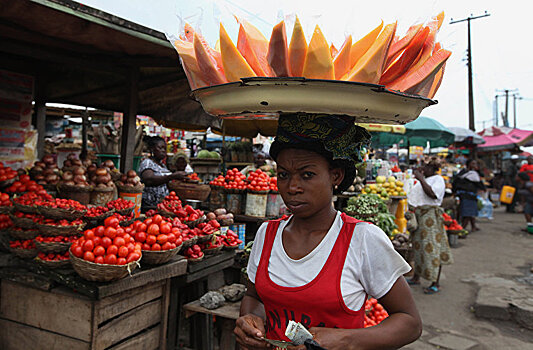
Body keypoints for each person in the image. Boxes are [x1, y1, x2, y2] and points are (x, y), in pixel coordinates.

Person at [234, 114, 422, 349]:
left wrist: (346, 339)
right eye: (283, 175)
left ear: (336, 176)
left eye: (307, 175)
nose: (292, 187)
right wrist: (251, 321)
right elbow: (254, 297)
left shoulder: (362, 240)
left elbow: (410, 322)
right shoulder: (266, 234)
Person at [406, 157, 453, 294]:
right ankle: (416, 277)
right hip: (419, 216)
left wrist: (420, 178)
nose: (421, 169)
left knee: (432, 247)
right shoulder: (426, 179)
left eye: (424, 167)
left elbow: (433, 194)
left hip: (430, 217)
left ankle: (435, 282)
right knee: (418, 246)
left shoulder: (437, 180)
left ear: (431, 168)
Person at [138, 136, 187, 211]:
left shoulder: (162, 165)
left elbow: (165, 181)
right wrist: (172, 176)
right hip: (149, 206)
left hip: (162, 206)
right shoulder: (147, 162)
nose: (163, 151)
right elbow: (149, 179)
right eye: (160, 148)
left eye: (165, 148)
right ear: (152, 149)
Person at [453, 159, 485, 232]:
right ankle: (461, 230)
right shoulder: (467, 173)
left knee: (470, 211)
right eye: (473, 164)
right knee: (467, 213)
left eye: (475, 164)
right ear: (469, 164)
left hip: (469, 195)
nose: (475, 165)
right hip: (467, 195)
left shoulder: (473, 173)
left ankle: (473, 226)